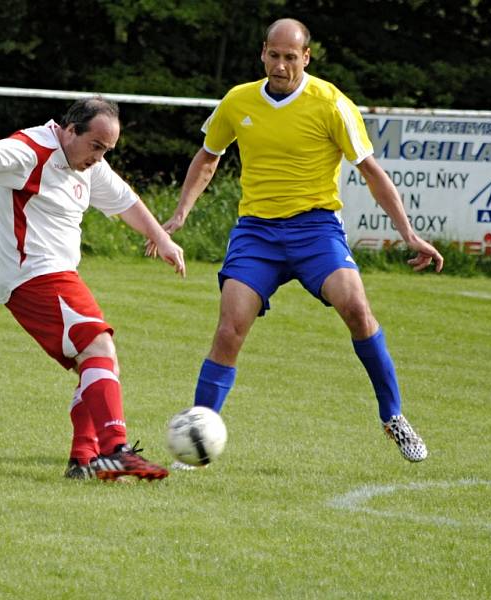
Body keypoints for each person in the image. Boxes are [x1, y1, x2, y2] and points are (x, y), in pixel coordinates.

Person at [151, 18, 444, 462]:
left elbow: (371, 173)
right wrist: (179, 213)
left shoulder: (331, 103)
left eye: (291, 57)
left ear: (306, 57)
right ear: (263, 54)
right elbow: (208, 158)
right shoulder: (238, 100)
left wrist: (408, 233)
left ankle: (394, 417)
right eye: (274, 55)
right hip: (257, 234)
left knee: (357, 309)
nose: (281, 65)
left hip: (316, 229)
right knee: (230, 328)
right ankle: (197, 438)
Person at [0, 96, 185, 481]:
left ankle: (83, 460)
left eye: (108, 150)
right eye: (97, 146)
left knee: (101, 364)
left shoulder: (89, 163)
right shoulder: (33, 148)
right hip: (35, 275)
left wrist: (163, 240)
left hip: (53, 276)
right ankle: (115, 450)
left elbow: (125, 202)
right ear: (70, 131)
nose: (100, 157)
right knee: (99, 346)